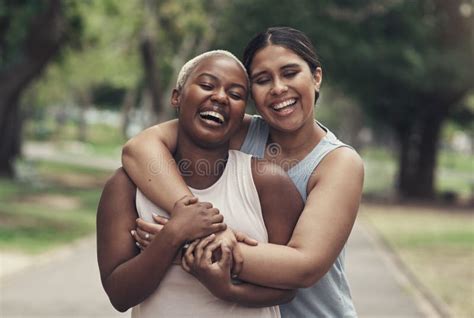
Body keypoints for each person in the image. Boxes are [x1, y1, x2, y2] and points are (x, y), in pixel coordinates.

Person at [123, 27, 365, 317]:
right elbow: (139, 149)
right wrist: (191, 217)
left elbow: (304, 266)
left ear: (316, 77)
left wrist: (185, 241)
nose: (278, 88)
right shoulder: (239, 132)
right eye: (263, 80)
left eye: (290, 73)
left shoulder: (338, 162)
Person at [97, 50, 303, 317]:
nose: (220, 97)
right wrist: (174, 234)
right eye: (207, 85)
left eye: (236, 94)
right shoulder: (125, 186)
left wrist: (225, 288)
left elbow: (288, 286)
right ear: (177, 97)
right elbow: (120, 295)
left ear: (242, 116)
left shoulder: (268, 182)